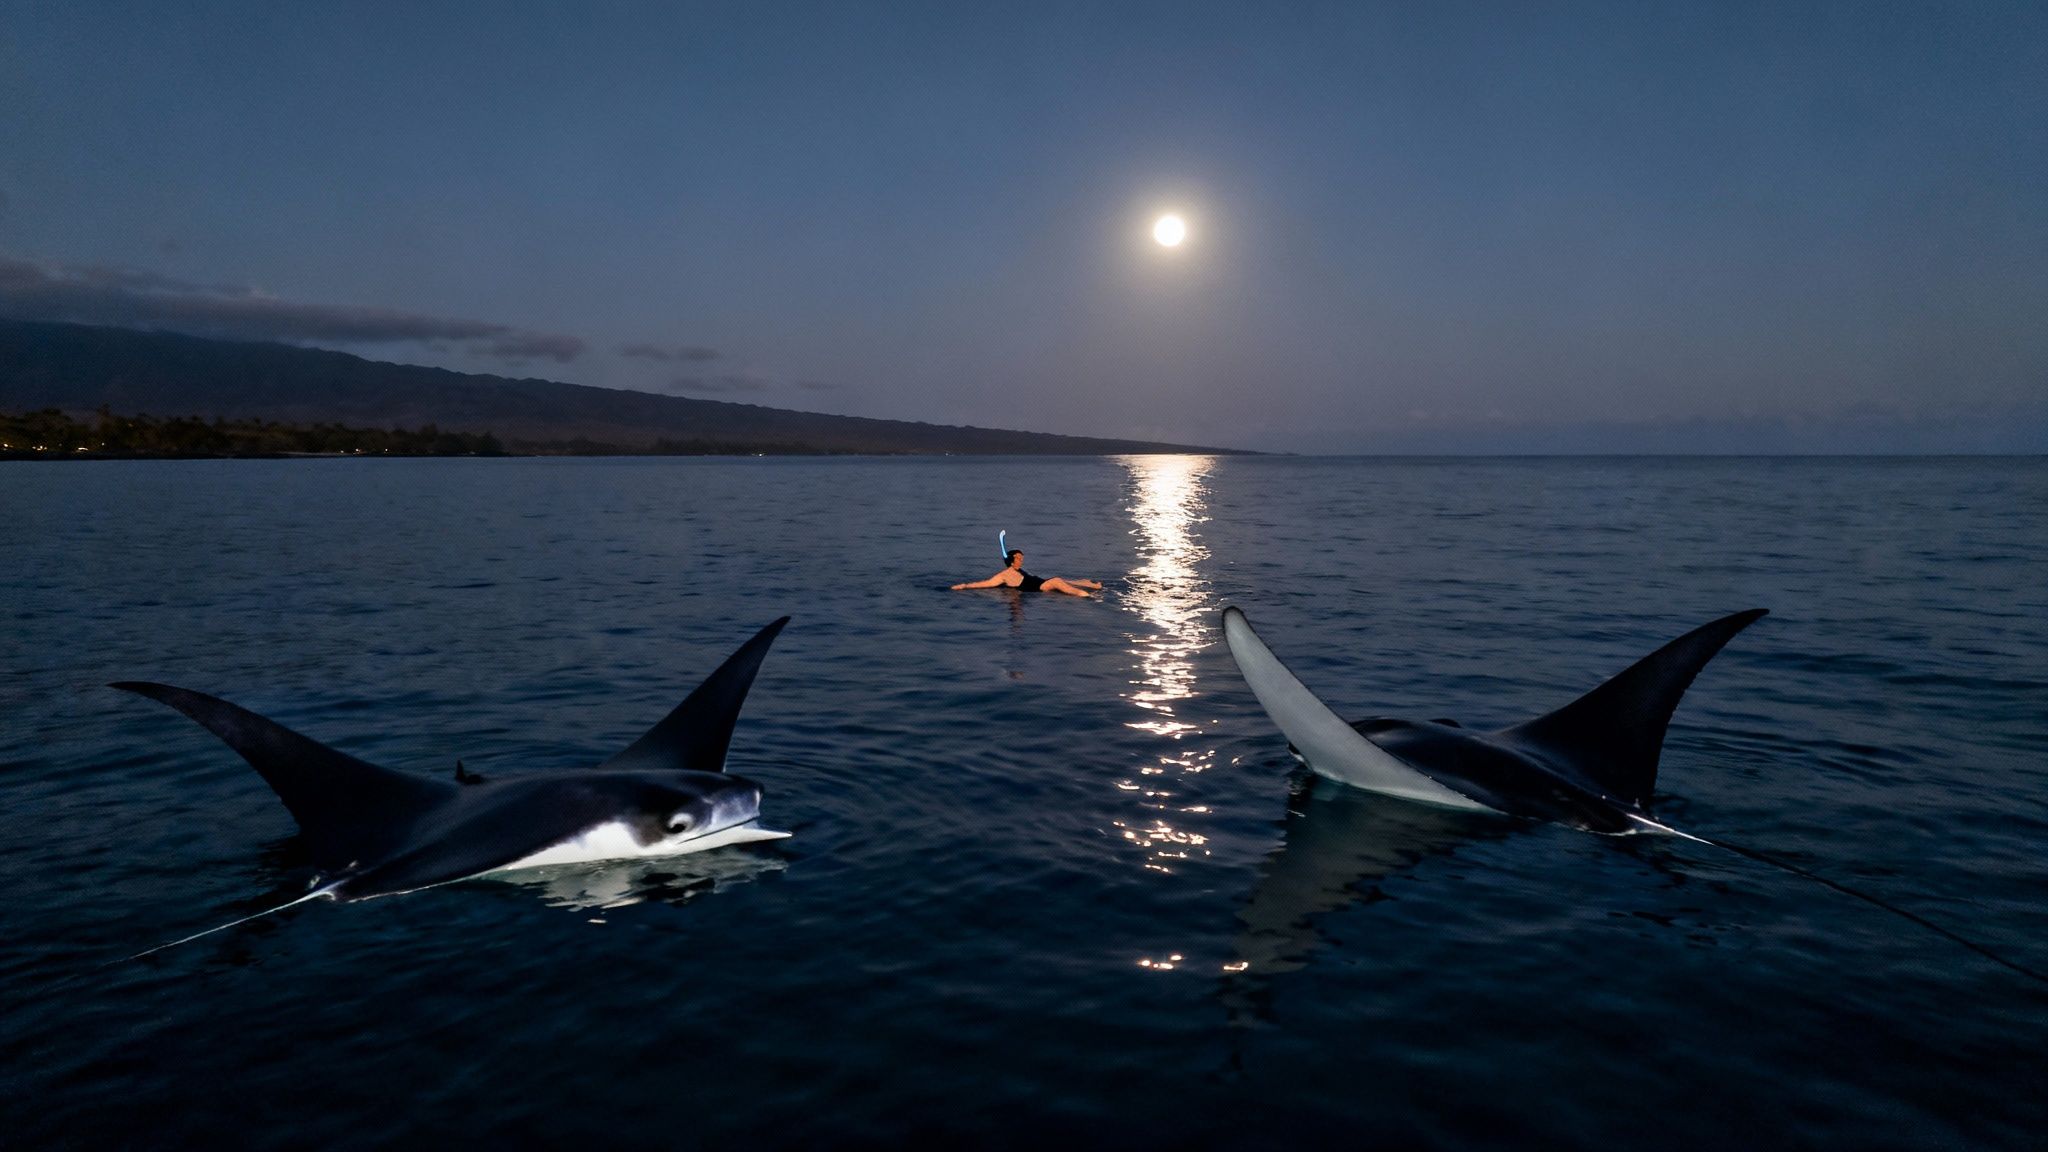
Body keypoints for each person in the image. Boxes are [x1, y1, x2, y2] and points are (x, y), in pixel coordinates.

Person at [952, 550, 1103, 598]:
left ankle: (1092, 585)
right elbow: (985, 583)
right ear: (1011, 561)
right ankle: (1086, 596)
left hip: (1042, 582)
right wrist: (965, 585)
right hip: (1039, 588)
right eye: (1018, 558)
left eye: (1021, 557)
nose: (1021, 560)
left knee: (1067, 580)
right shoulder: (1003, 575)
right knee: (1057, 581)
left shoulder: (1017, 569)